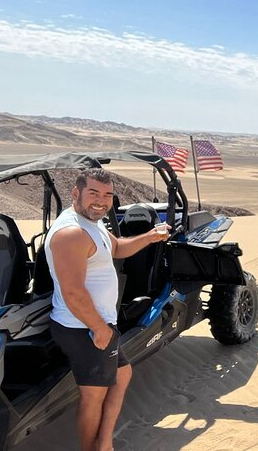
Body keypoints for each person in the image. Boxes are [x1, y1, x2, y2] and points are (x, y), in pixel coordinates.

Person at [46, 169, 170, 451]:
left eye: (107, 195)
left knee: (122, 374)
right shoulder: (72, 233)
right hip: (83, 328)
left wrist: (150, 236)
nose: (101, 201)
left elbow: (116, 248)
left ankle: (104, 442)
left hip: (98, 325)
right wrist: (100, 329)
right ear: (76, 193)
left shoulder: (93, 224)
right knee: (93, 396)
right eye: (94, 193)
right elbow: (73, 292)